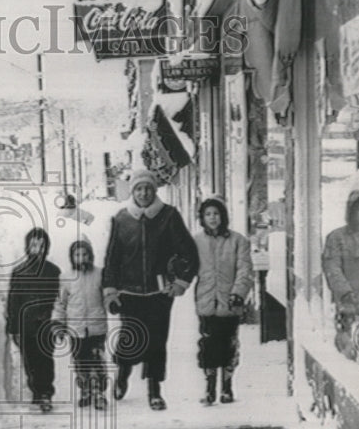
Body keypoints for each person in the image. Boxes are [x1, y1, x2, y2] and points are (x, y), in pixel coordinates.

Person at [102, 169, 199, 410]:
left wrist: (180, 282)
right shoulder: (121, 219)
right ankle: (123, 375)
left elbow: (190, 253)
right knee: (129, 339)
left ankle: (155, 391)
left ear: (154, 190)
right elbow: (112, 258)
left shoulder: (169, 216)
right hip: (129, 292)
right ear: (132, 191)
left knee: (157, 342)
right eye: (139, 188)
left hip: (159, 293)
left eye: (147, 188)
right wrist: (111, 290)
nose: (144, 192)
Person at [193, 196, 254, 404]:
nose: (212, 218)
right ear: (202, 217)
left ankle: (227, 387)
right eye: (208, 214)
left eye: (216, 213)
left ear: (223, 216)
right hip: (206, 302)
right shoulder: (196, 242)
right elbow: (187, 267)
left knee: (229, 344)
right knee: (208, 345)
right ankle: (209, 388)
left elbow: (245, 270)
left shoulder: (238, 241)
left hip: (230, 303)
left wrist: (238, 293)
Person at [322, 190, 359, 374]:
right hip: (347, 302)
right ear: (351, 211)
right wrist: (344, 292)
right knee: (347, 347)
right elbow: (332, 268)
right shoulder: (337, 237)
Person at [6, 227, 61, 412]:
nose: (38, 248)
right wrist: (13, 327)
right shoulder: (19, 272)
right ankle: (36, 392)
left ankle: (46, 393)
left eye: (41, 245)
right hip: (26, 326)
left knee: (45, 359)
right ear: (28, 247)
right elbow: (14, 300)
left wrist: (57, 321)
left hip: (45, 325)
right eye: (34, 245)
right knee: (30, 361)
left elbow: (59, 299)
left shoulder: (53, 271)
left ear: (47, 247)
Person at [52, 239, 109, 410]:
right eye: (77, 255)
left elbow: (108, 296)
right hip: (75, 329)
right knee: (80, 361)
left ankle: (99, 392)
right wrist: (58, 323)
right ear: (72, 257)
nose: (82, 258)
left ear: (90, 256)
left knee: (97, 360)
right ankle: (85, 389)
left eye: (85, 254)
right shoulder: (66, 277)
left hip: (97, 327)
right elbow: (60, 303)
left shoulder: (100, 274)